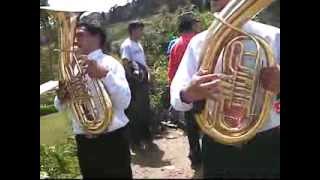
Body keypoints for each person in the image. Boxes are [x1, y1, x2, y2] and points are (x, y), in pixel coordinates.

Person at [170, 0, 280, 178]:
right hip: (218, 145)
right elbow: (176, 97)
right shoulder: (198, 43)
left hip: (267, 142)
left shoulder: (274, 36)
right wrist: (188, 93)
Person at [54, 13, 132, 178]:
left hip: (113, 141)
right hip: (84, 142)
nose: (74, 40)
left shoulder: (110, 64)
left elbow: (124, 102)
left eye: (80, 35)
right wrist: (62, 96)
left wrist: (104, 75)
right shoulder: (71, 68)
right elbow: (58, 106)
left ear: (97, 36)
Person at [167, 12, 203, 169]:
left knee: (191, 127)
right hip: (202, 91)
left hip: (185, 94)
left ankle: (195, 155)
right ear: (193, 24)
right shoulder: (200, 41)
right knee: (207, 127)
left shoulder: (176, 44)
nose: (200, 24)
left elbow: (172, 71)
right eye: (197, 22)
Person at [120, 20, 153, 152]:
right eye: (140, 30)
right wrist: (134, 79)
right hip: (135, 84)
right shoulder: (127, 45)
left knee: (144, 109)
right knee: (135, 111)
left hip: (143, 81)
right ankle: (135, 141)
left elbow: (141, 63)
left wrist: (148, 74)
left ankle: (146, 136)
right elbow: (125, 62)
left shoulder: (138, 44)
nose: (141, 32)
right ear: (133, 30)